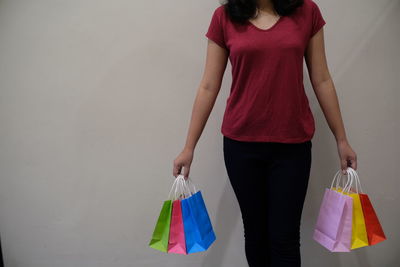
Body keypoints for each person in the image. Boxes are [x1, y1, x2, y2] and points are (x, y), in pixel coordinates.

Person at [173, 0, 357, 266]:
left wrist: (342, 139)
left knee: (285, 238)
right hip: (241, 146)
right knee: (256, 234)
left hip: (293, 146)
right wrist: (188, 147)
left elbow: (322, 78)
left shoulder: (307, 11)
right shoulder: (224, 17)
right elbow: (209, 86)